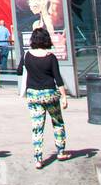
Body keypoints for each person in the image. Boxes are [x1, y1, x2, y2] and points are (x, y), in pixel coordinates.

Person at [16, 27, 70, 169]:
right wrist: (64, 96)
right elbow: (57, 78)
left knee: (37, 127)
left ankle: (38, 159)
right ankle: (60, 151)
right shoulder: (50, 57)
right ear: (46, 40)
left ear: (32, 40)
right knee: (57, 123)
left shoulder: (27, 55)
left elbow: (18, 71)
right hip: (50, 94)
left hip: (33, 95)